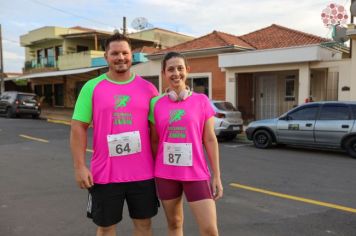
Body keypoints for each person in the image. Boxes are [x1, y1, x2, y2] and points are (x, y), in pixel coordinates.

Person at [70, 33, 159, 236]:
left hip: (143, 173)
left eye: (125, 53)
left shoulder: (149, 89)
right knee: (106, 227)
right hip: (105, 175)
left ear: (132, 55)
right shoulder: (92, 87)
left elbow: (157, 132)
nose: (120, 57)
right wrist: (79, 166)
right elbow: (78, 127)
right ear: (106, 56)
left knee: (144, 226)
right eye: (115, 53)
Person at [149, 51, 223, 236]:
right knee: (174, 224)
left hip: (196, 172)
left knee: (209, 229)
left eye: (180, 68)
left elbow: (209, 139)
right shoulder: (157, 104)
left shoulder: (201, 101)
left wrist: (216, 175)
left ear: (187, 70)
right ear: (164, 73)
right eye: (171, 69)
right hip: (166, 174)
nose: (176, 73)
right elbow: (155, 140)